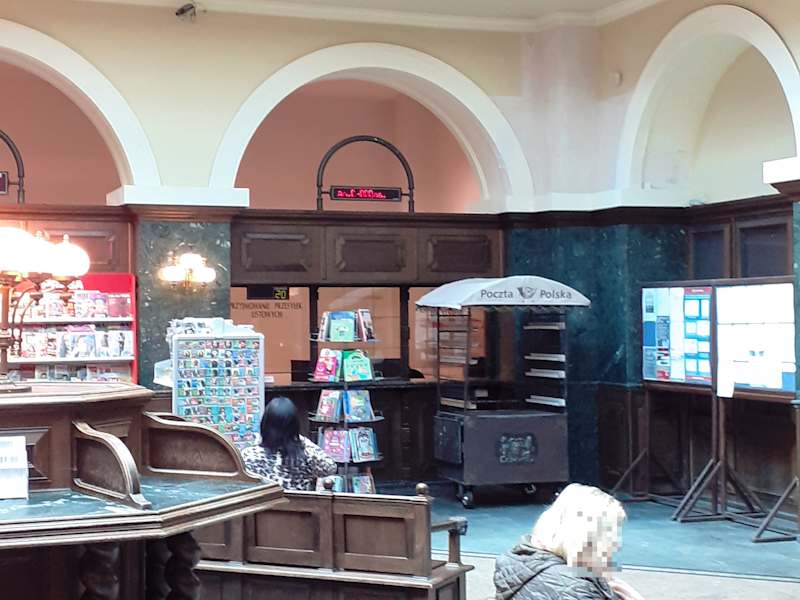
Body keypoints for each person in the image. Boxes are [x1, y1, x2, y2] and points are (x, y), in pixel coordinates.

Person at [494, 483, 645, 600]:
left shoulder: (521, 564)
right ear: (586, 538)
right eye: (610, 535)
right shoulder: (576, 588)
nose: (616, 544)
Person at [240, 396, 337, 490]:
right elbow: (330, 468)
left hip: (264, 501)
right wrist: (299, 439)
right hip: (295, 501)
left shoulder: (248, 456)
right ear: (294, 426)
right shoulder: (305, 454)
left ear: (265, 424)